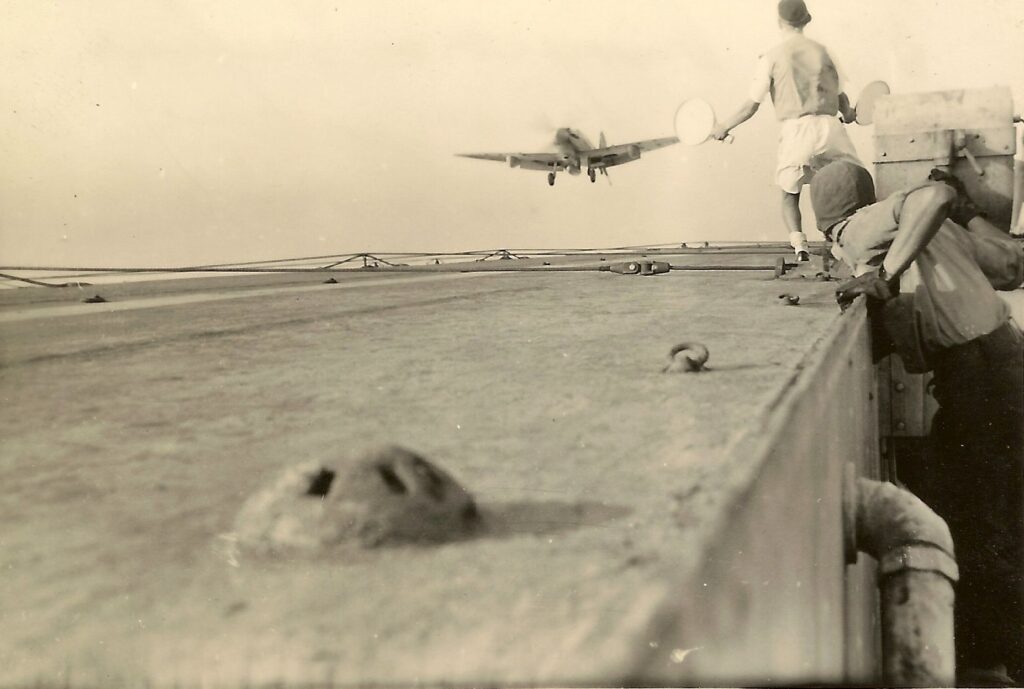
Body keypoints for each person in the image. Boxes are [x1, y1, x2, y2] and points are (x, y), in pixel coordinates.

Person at [809, 160, 1024, 686]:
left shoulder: (861, 227)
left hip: (979, 382)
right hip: (1005, 366)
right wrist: (970, 214)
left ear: (826, 222)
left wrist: (880, 278)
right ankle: (1004, 659)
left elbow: (930, 198)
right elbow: (1013, 267)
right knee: (1002, 514)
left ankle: (986, 663)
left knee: (976, 521)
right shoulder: (936, 235)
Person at [711, 0, 862, 262]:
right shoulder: (826, 52)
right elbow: (842, 98)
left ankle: (799, 245)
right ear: (806, 21)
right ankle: (850, 242)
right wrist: (848, 115)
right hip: (830, 128)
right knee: (850, 187)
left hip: (796, 131)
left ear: (780, 23)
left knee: (789, 194)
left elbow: (750, 106)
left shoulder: (770, 57)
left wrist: (724, 126)